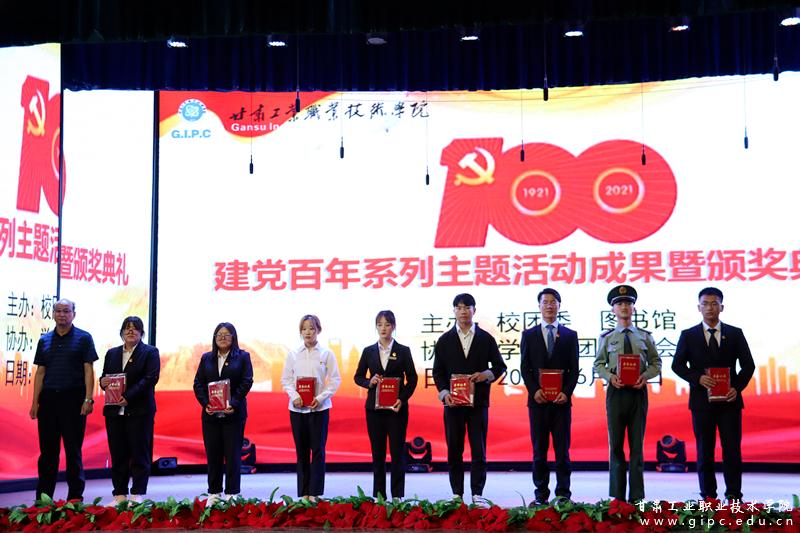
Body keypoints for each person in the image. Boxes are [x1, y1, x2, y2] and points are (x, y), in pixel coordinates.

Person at [672, 287, 755, 501]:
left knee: (732, 451)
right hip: (702, 403)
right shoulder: (688, 335)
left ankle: (734, 494)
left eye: (714, 303)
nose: (710, 307)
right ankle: (708, 495)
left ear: (722, 307)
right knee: (704, 451)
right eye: (705, 303)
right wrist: (698, 378)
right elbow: (677, 365)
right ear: (698, 307)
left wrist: (737, 387)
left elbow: (748, 365)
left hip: (730, 402)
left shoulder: (735, 333)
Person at [432, 293, 507, 503]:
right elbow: (438, 372)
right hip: (453, 404)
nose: (463, 311)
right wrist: (444, 393)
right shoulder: (444, 340)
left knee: (478, 450)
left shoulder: (486, 338)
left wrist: (485, 375)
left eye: (467, 307)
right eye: (459, 308)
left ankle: (477, 493)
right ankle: (457, 493)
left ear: (474, 310)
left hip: (478, 403)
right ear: (454, 311)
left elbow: (500, 366)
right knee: (454, 450)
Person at [593, 285, 661, 503]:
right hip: (616, 393)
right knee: (615, 446)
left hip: (638, 394)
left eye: (628, 303)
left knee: (637, 447)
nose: (624, 307)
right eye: (620, 304)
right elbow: (598, 363)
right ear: (613, 310)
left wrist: (646, 376)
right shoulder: (607, 337)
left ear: (634, 308)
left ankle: (637, 497)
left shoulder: (645, 336)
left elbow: (656, 362)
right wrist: (609, 377)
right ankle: (618, 497)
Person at [29, 298, 98, 502]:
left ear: (73, 314)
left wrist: (88, 399)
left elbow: (89, 370)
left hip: (74, 400)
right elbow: (40, 373)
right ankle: (43, 499)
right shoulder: (44, 340)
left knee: (73, 451)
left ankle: (75, 498)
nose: (62, 314)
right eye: (58, 311)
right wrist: (35, 402)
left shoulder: (84, 338)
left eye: (66, 311)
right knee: (47, 453)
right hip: (48, 401)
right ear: (53, 314)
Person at [519, 288, 579, 505]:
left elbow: (574, 369)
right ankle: (540, 495)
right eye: (545, 302)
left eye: (553, 302)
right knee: (539, 452)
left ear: (559, 306)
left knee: (562, 452)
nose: (549, 306)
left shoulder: (570, 335)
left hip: (561, 403)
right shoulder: (528, 335)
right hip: (538, 403)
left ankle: (563, 495)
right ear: (539, 306)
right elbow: (525, 368)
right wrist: (534, 390)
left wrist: (566, 392)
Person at [354, 310, 418, 500]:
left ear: (393, 327)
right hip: (374, 410)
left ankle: (397, 496)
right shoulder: (368, 351)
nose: (383, 328)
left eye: (387, 324)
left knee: (397, 453)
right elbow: (358, 377)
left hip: (396, 409)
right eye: (380, 324)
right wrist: (369, 382)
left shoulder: (403, 350)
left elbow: (412, 379)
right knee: (378, 454)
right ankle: (379, 496)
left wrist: (402, 399)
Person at [99, 316, 160, 505]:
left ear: (142, 333)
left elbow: (150, 378)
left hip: (139, 410)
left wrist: (129, 396)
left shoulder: (150, 352)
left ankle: (137, 493)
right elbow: (105, 377)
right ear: (121, 332)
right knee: (118, 453)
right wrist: (102, 382)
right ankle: (119, 494)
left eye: (135, 328)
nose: (130, 331)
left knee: (139, 453)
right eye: (127, 328)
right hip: (114, 411)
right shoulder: (112, 353)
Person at [281, 314, 341, 501]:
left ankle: (315, 493)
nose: (308, 332)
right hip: (297, 410)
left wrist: (321, 398)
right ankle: (304, 493)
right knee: (301, 452)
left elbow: (335, 379)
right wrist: (295, 396)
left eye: (312, 328)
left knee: (318, 451)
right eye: (304, 329)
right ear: (300, 331)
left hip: (319, 409)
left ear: (318, 330)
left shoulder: (326, 354)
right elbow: (286, 380)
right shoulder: (293, 354)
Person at [193, 322, 253, 506]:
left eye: (227, 334)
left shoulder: (242, 357)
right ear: (214, 338)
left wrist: (233, 403)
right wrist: (206, 403)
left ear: (233, 337)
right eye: (219, 334)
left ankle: (232, 493)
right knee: (213, 455)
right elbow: (198, 383)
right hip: (210, 415)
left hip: (234, 414)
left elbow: (247, 381)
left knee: (233, 454)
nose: (223, 337)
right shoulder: (206, 358)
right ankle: (214, 492)